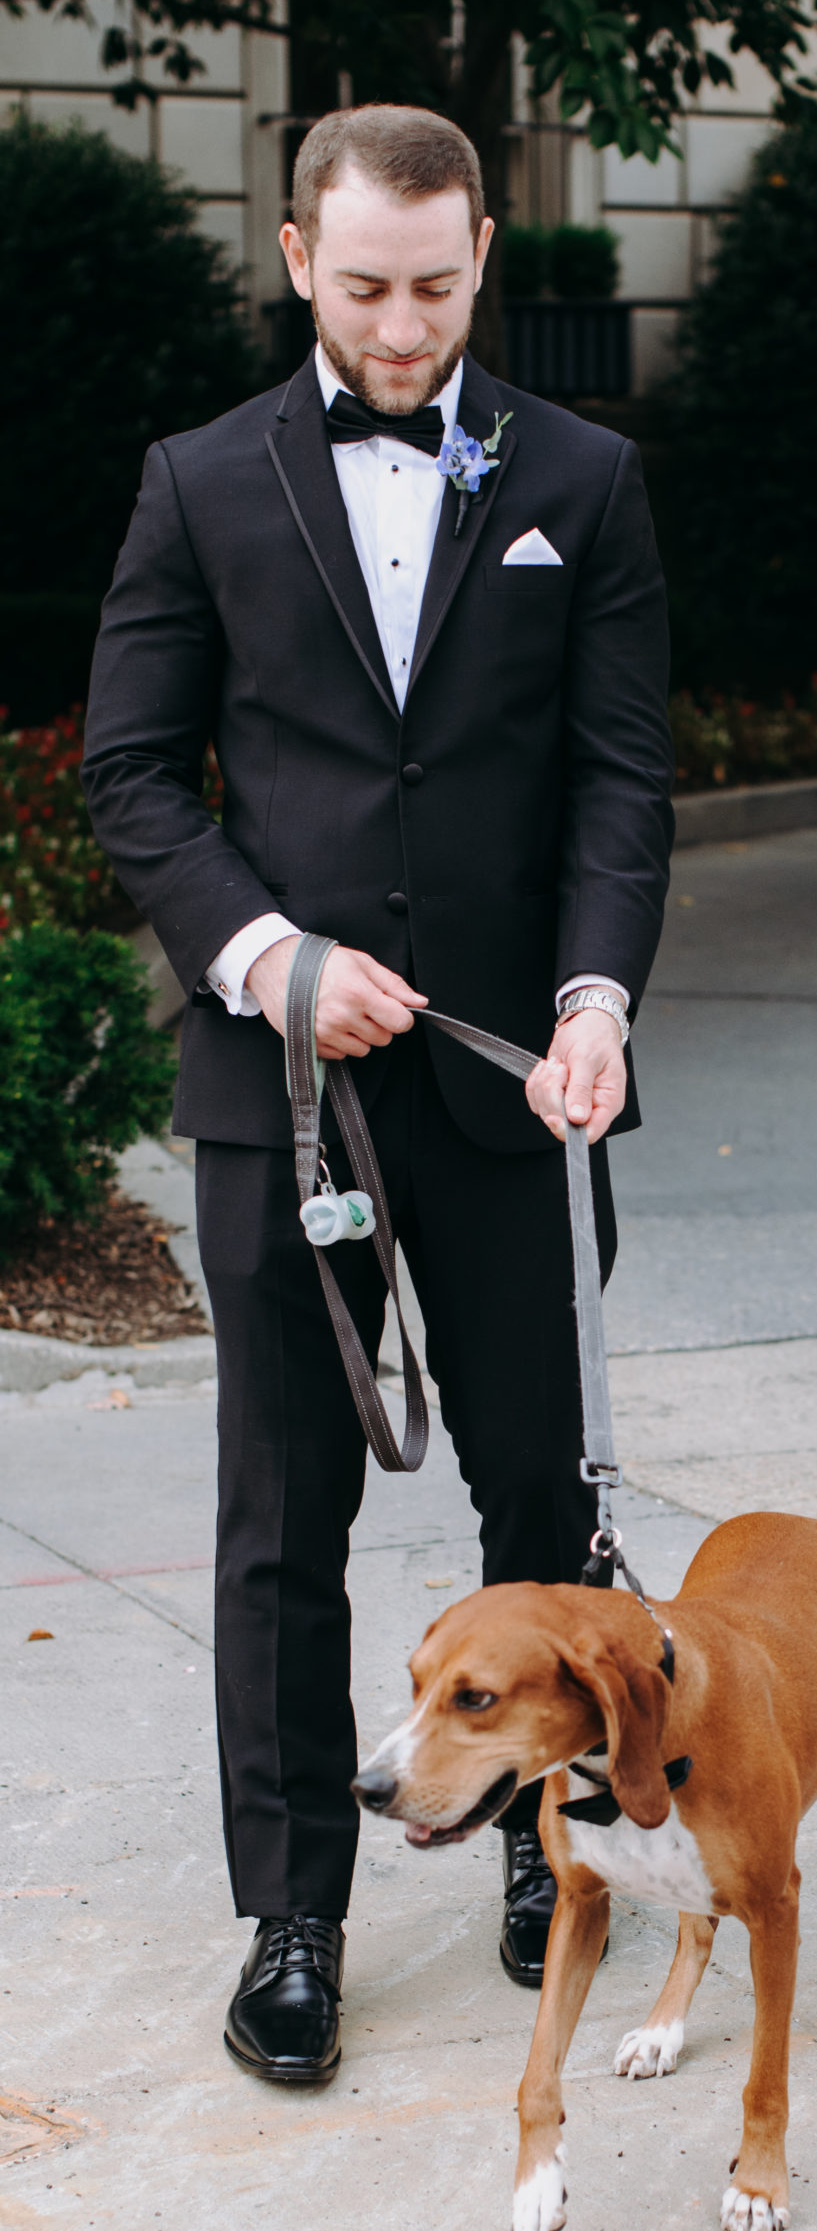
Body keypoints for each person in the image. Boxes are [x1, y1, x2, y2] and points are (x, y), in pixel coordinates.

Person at [81, 105, 674, 2085]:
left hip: (519, 1090)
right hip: (284, 1094)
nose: (401, 327)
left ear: (482, 255)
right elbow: (137, 778)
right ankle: (296, 1914)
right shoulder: (198, 481)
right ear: (294, 257)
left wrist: (594, 995)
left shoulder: (582, 477)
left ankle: (538, 1836)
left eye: (433, 286)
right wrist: (273, 958)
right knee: (282, 1520)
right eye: (362, 288)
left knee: (542, 1495)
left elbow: (617, 780)